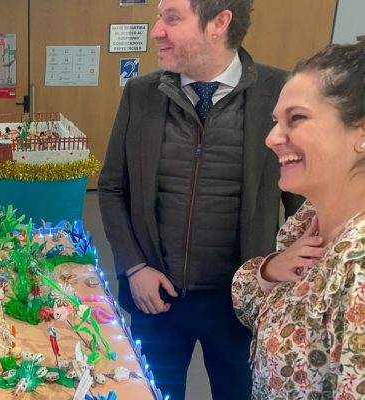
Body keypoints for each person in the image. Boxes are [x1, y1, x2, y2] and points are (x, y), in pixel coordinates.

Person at [97, 0, 303, 399]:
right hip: (156, 299)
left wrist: (281, 278)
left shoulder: (278, 94)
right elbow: (112, 188)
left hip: (242, 306)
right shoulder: (141, 93)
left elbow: (303, 206)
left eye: (172, 18)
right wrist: (134, 267)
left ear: (219, 23)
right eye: (159, 17)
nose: (157, 30)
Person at [232, 41, 365, 399]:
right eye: (276, 121)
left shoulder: (358, 266)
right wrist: (270, 270)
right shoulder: (308, 218)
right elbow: (251, 304)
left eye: (297, 118)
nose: (272, 138)